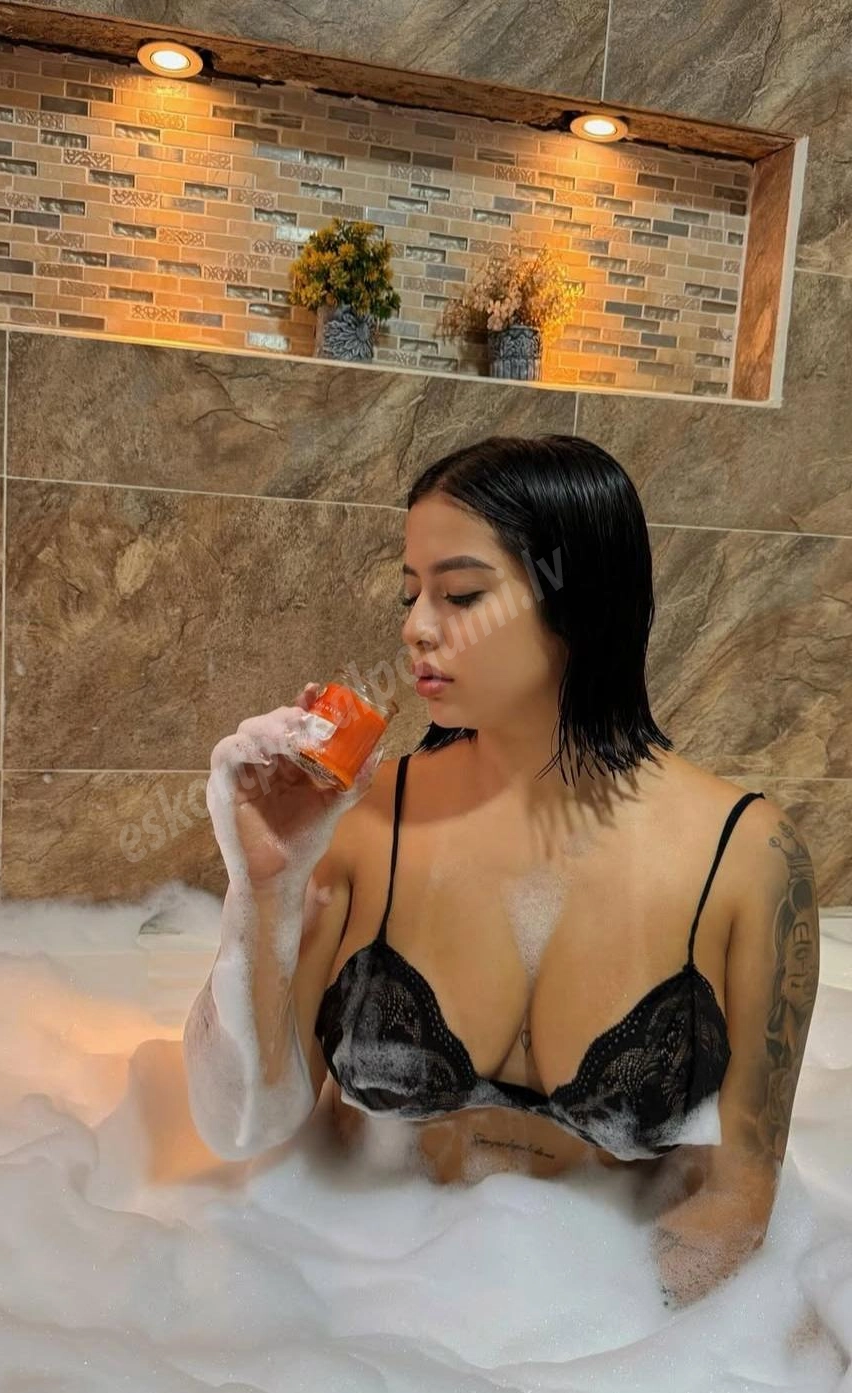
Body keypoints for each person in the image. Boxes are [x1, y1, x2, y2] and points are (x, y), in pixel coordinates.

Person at [184, 433, 820, 1308]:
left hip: (605, 1320)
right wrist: (262, 889)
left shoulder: (748, 860)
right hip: (349, 1292)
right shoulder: (360, 820)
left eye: (461, 594)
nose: (415, 626)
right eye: (411, 592)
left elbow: (737, 1199)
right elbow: (243, 1127)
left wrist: (615, 1351)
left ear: (579, 600)